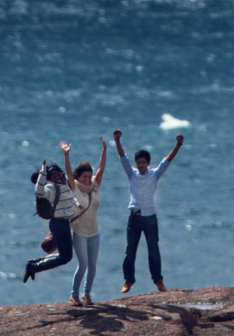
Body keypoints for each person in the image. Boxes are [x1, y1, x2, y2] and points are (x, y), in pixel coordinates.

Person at [114, 128, 185, 294]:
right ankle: (128, 280)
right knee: (130, 250)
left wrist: (178, 145)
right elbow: (123, 158)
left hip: (150, 218)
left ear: (148, 163)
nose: (140, 165)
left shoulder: (155, 174)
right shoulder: (132, 174)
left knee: (153, 250)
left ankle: (158, 280)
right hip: (134, 218)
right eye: (138, 163)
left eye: (143, 163)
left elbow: (167, 160)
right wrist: (117, 141)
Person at [63, 137, 107, 306]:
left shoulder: (95, 185)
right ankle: (74, 293)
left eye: (89, 176)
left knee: (93, 265)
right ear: (78, 177)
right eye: (85, 177)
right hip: (80, 233)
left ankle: (86, 294)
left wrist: (104, 149)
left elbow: (101, 167)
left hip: (94, 232)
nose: (88, 179)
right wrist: (66, 155)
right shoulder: (74, 188)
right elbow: (68, 171)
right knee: (83, 264)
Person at [23, 142, 76, 283]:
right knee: (65, 257)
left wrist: (66, 154)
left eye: (58, 173)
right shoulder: (50, 188)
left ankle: (34, 264)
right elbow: (38, 192)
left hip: (64, 223)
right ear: (49, 179)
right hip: (58, 224)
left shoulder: (65, 185)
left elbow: (70, 199)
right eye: (53, 176)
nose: (57, 177)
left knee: (65, 256)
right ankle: (34, 266)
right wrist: (42, 173)